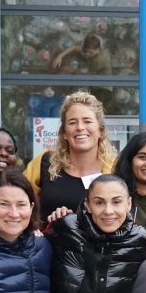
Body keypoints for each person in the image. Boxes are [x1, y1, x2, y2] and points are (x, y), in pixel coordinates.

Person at [23, 92, 119, 226]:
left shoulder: (117, 168)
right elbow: (18, 200)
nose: (80, 127)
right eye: (73, 122)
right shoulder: (44, 162)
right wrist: (33, 228)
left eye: (87, 121)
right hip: (49, 245)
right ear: (64, 134)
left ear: (100, 131)